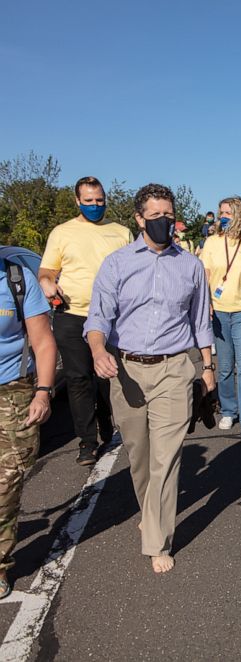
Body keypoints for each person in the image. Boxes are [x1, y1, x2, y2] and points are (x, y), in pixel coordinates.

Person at [85, 183, 215, 574]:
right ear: (140, 219)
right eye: (156, 216)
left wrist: (207, 368)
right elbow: (98, 317)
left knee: (166, 457)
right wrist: (97, 351)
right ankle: (151, 511)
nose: (164, 222)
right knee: (139, 456)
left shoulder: (190, 265)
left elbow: (201, 322)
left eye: (169, 215)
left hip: (174, 369)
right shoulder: (117, 264)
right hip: (126, 371)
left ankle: (158, 540)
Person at [38, 176, 132, 465]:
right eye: (89, 201)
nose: (95, 205)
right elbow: (46, 270)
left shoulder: (121, 232)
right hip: (72, 315)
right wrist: (46, 282)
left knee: (107, 377)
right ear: (77, 201)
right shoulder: (62, 232)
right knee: (78, 379)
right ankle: (87, 442)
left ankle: (107, 424)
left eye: (99, 200)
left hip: (111, 318)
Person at [0, 255, 57, 597]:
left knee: (6, 481)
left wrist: (43, 393)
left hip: (12, 393)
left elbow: (43, 342)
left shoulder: (16, 280)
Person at [198, 196, 241, 440]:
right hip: (219, 312)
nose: (222, 217)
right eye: (220, 213)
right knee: (225, 367)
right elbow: (204, 278)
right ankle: (228, 409)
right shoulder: (211, 242)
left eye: (227, 213)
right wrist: (205, 304)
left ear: (239, 215)